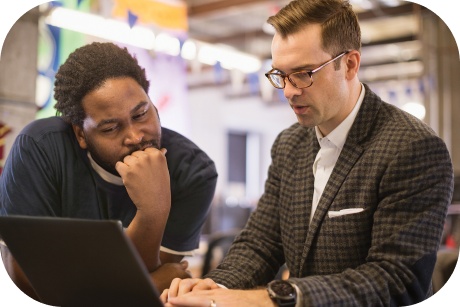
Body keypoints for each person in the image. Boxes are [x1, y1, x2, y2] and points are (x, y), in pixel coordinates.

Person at [160, 0, 454, 306]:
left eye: (302, 73)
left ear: (350, 64)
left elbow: (395, 281)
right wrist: (213, 287)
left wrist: (277, 298)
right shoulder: (289, 145)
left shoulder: (412, 148)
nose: (288, 91)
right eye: (280, 74)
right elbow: (260, 244)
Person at [0, 42, 218, 300]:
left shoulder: (193, 171)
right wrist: (153, 213)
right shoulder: (40, 148)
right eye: (110, 128)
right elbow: (23, 280)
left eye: (141, 114)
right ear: (80, 134)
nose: (136, 137)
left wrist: (153, 210)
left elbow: (141, 287)